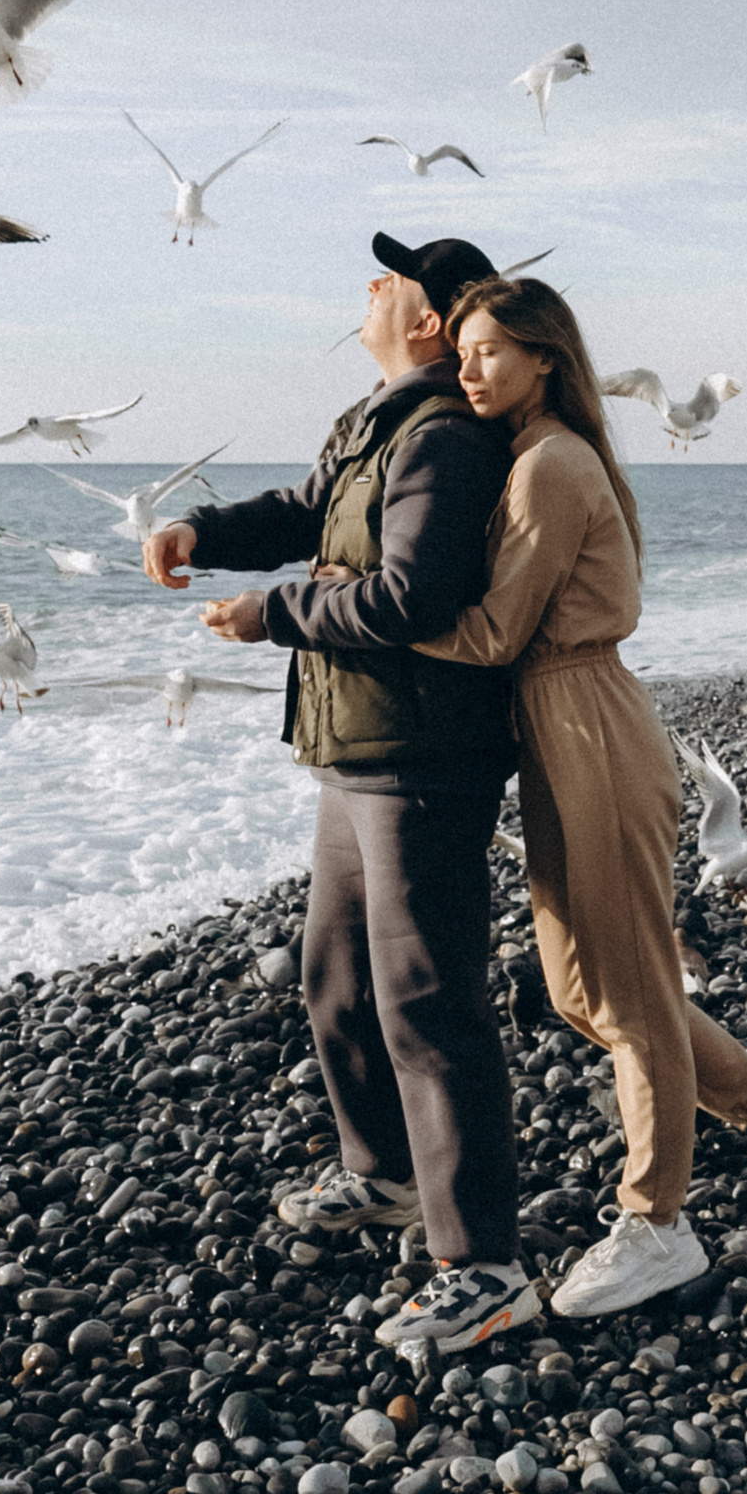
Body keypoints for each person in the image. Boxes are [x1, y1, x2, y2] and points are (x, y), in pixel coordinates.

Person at [411, 272, 747, 1314]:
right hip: (562, 729)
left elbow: (490, 634)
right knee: (578, 995)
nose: (466, 369)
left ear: (544, 360)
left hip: (590, 730)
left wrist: (348, 611)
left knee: (638, 991)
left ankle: (658, 1223)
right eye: (461, 351)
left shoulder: (551, 467)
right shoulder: (535, 458)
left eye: (486, 352)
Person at [143, 228, 538, 1361]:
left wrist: (271, 614)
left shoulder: (445, 441)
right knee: (333, 983)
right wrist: (200, 532)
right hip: (357, 748)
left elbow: (410, 598)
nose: (366, 285)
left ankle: (483, 1265)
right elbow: (307, 508)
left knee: (428, 1004)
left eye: (388, 277)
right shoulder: (377, 423)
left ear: (426, 319)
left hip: (423, 757)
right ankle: (386, 1176)